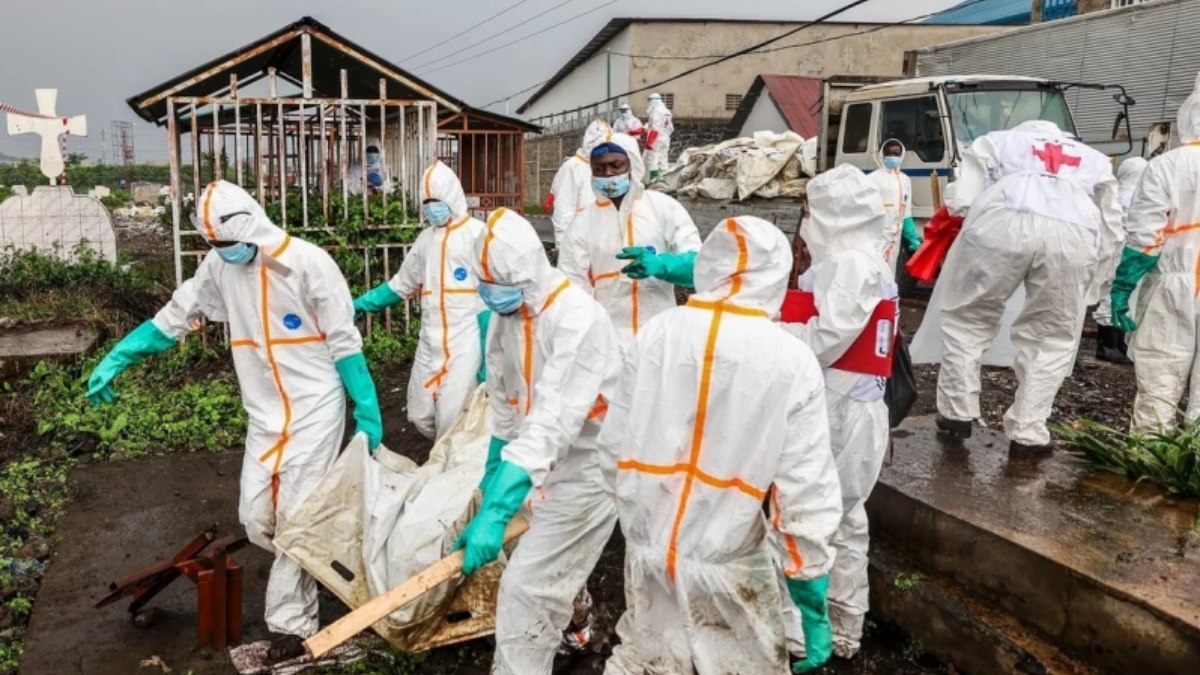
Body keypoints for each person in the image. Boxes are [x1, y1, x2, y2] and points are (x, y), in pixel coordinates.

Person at [85, 180, 383, 660]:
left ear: (252, 228)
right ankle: (327, 555)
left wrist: (367, 409)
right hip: (264, 413)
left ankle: (292, 625)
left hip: (314, 408)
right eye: (213, 246)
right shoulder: (218, 269)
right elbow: (174, 317)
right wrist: (118, 356)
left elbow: (345, 343)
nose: (222, 253)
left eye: (227, 243)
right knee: (256, 518)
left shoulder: (308, 264)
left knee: (293, 518)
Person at [598, 215, 843, 674]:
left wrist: (644, 520)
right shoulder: (790, 359)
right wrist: (810, 598)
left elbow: (612, 448)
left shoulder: (656, 334)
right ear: (777, 277)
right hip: (730, 569)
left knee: (648, 661)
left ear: (707, 265)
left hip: (648, 551)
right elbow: (804, 490)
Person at [452, 208, 621, 674]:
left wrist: (498, 512)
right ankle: (581, 621)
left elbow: (552, 423)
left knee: (526, 589)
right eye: (483, 282)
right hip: (534, 465)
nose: (488, 292)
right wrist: (491, 489)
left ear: (526, 274)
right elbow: (506, 409)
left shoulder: (577, 319)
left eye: (497, 283)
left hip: (587, 472)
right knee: (553, 568)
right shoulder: (508, 318)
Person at [934, 120, 1122, 455]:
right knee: (1052, 336)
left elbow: (960, 199)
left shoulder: (997, 140)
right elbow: (1112, 226)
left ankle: (956, 413)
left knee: (968, 317)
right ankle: (1028, 432)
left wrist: (969, 217)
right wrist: (1098, 280)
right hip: (1074, 229)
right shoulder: (1094, 159)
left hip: (1003, 216)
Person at [781, 164, 894, 660]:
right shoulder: (863, 259)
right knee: (847, 522)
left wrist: (768, 332)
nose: (805, 222)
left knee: (808, 518)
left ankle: (799, 635)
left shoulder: (851, 264)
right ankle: (845, 629)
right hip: (854, 402)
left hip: (840, 406)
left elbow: (826, 339)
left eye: (809, 211)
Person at [353, 161, 488, 440]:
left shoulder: (477, 235)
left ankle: (451, 472)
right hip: (430, 341)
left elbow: (490, 302)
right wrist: (361, 304)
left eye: (436, 201)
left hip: (466, 342)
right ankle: (443, 459)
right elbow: (402, 284)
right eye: (426, 203)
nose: (430, 208)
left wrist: (489, 353)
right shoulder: (426, 239)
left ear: (451, 197)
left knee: (452, 417)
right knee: (419, 414)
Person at [1110, 73, 1200, 432]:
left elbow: (1145, 240)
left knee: (1162, 367)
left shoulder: (1167, 165)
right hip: (1179, 277)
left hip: (1175, 283)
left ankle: (1150, 453)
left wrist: (1122, 288)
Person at [558, 133, 701, 352]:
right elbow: (573, 288)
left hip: (659, 339)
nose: (608, 174)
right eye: (599, 168)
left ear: (632, 164)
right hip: (608, 344)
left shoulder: (662, 208)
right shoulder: (582, 223)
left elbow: (701, 266)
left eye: (616, 165)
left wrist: (662, 265)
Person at [1092, 156, 1148, 364]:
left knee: (1118, 295)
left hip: (1117, 253)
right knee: (1115, 296)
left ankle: (1116, 343)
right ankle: (1107, 346)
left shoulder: (1116, 194)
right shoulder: (1132, 196)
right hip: (1122, 254)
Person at [547, 119, 614, 250]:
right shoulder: (573, 167)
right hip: (578, 243)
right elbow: (563, 212)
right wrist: (563, 248)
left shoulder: (607, 168)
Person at [867, 139, 923, 274]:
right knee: (874, 267)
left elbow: (907, 210)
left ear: (901, 155)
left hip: (895, 235)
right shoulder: (873, 179)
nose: (892, 157)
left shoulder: (905, 180)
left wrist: (912, 236)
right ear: (882, 155)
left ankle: (888, 293)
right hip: (878, 234)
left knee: (890, 268)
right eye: (889, 153)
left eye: (896, 153)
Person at [644, 93, 674, 181]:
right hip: (665, 138)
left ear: (653, 101)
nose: (649, 103)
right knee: (663, 160)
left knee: (653, 160)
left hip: (656, 139)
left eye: (650, 101)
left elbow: (655, 127)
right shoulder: (667, 111)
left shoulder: (656, 111)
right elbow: (671, 128)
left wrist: (650, 141)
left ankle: (653, 181)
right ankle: (665, 181)